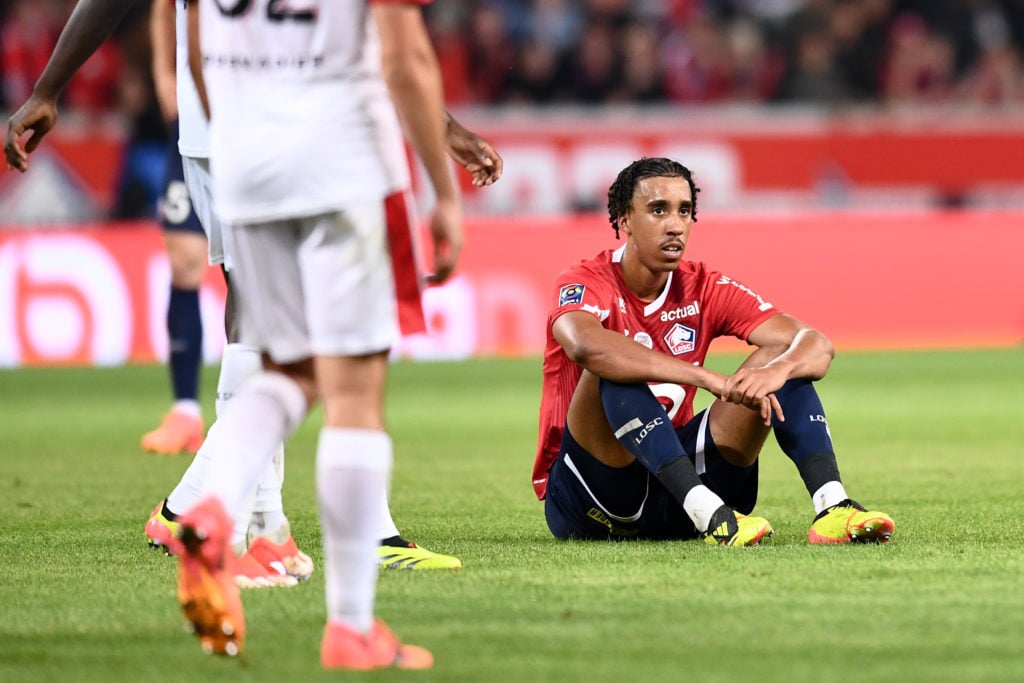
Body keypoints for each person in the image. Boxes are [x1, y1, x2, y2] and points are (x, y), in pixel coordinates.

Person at [5, 0, 502, 585]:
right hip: (294, 135)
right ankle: (304, 529)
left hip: (230, 129)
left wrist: (48, 88)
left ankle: (236, 519)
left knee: (271, 325)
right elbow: (389, 45)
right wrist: (440, 159)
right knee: (333, 340)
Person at [172, 0, 461, 667]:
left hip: (247, 162)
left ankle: (214, 513)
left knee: (288, 371)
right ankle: (351, 627)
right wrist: (443, 194)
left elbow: (194, 50)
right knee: (355, 391)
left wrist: (248, 142)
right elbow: (405, 58)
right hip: (343, 162)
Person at [534, 156, 894, 546]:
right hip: (591, 499)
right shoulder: (585, 281)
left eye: (684, 211)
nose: (675, 225)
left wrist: (779, 370)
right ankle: (710, 514)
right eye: (658, 210)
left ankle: (832, 507)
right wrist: (704, 377)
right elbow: (587, 346)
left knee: (779, 359)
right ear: (623, 220)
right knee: (612, 366)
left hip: (675, 490)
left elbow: (816, 344)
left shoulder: (704, 285)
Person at [139, 0, 209, 456]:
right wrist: (165, 74)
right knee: (184, 262)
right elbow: (165, 6)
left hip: (256, 119)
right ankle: (185, 411)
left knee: (250, 274)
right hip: (194, 128)